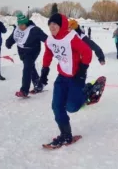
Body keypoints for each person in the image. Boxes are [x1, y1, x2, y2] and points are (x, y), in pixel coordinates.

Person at [38, 13, 101, 149]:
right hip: (62, 77)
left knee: (72, 107)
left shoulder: (71, 37)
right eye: (50, 25)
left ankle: (88, 90)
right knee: (57, 106)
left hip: (76, 77)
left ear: (61, 25)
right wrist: (44, 72)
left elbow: (87, 52)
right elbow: (48, 53)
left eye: (55, 24)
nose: (52, 27)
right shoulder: (50, 40)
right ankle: (66, 134)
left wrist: (82, 71)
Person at [5, 13, 48, 97]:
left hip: (33, 51)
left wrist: (53, 45)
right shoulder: (17, 29)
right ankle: (38, 85)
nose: (21, 26)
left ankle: (24, 90)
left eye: (22, 25)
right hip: (22, 52)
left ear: (26, 23)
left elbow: (46, 39)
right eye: (19, 24)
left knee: (27, 69)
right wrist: (8, 43)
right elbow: (13, 37)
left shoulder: (34, 30)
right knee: (30, 67)